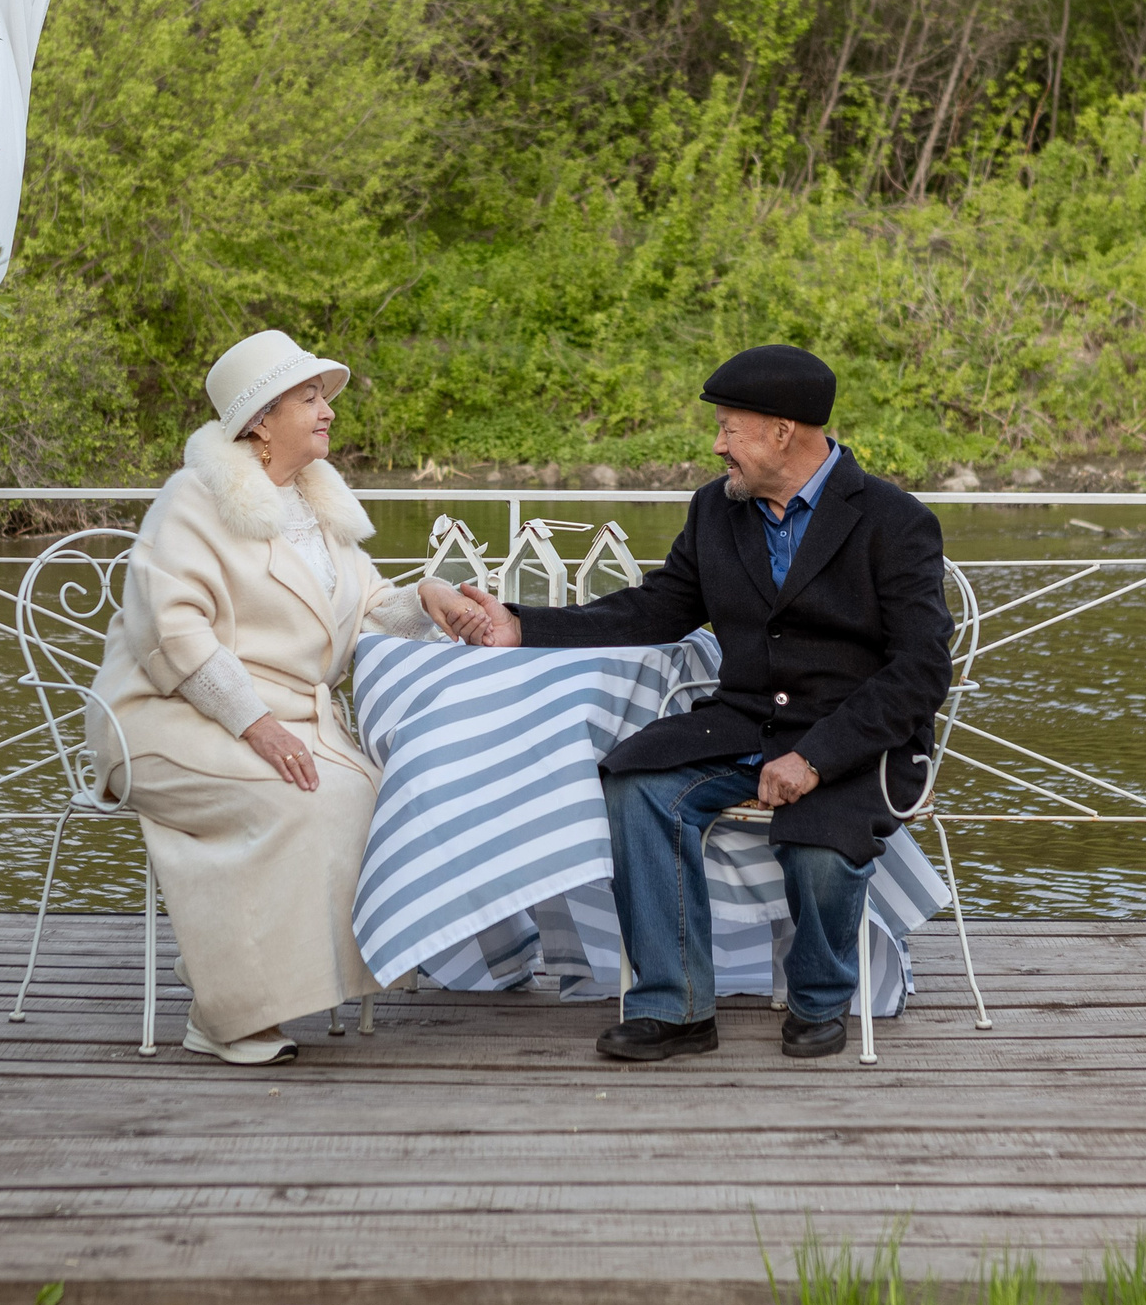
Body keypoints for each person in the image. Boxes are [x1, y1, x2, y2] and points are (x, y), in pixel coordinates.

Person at [445, 345, 953, 1061]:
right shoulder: (718, 509)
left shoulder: (894, 521)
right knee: (637, 781)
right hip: (744, 723)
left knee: (816, 848)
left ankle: (819, 997)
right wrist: (523, 626)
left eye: (729, 429)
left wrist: (816, 757)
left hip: (854, 740)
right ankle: (675, 1007)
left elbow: (922, 670)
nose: (717, 447)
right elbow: (658, 610)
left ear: (783, 431)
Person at [87, 330, 488, 1065]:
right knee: (298, 800)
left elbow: (368, 610)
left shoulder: (315, 505)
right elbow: (172, 632)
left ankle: (229, 968)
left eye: (323, 397)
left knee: (373, 794)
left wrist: (429, 597)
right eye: (309, 397)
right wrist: (259, 725)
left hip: (291, 718)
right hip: (163, 715)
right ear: (261, 421)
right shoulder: (196, 499)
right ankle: (226, 1015)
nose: (328, 410)